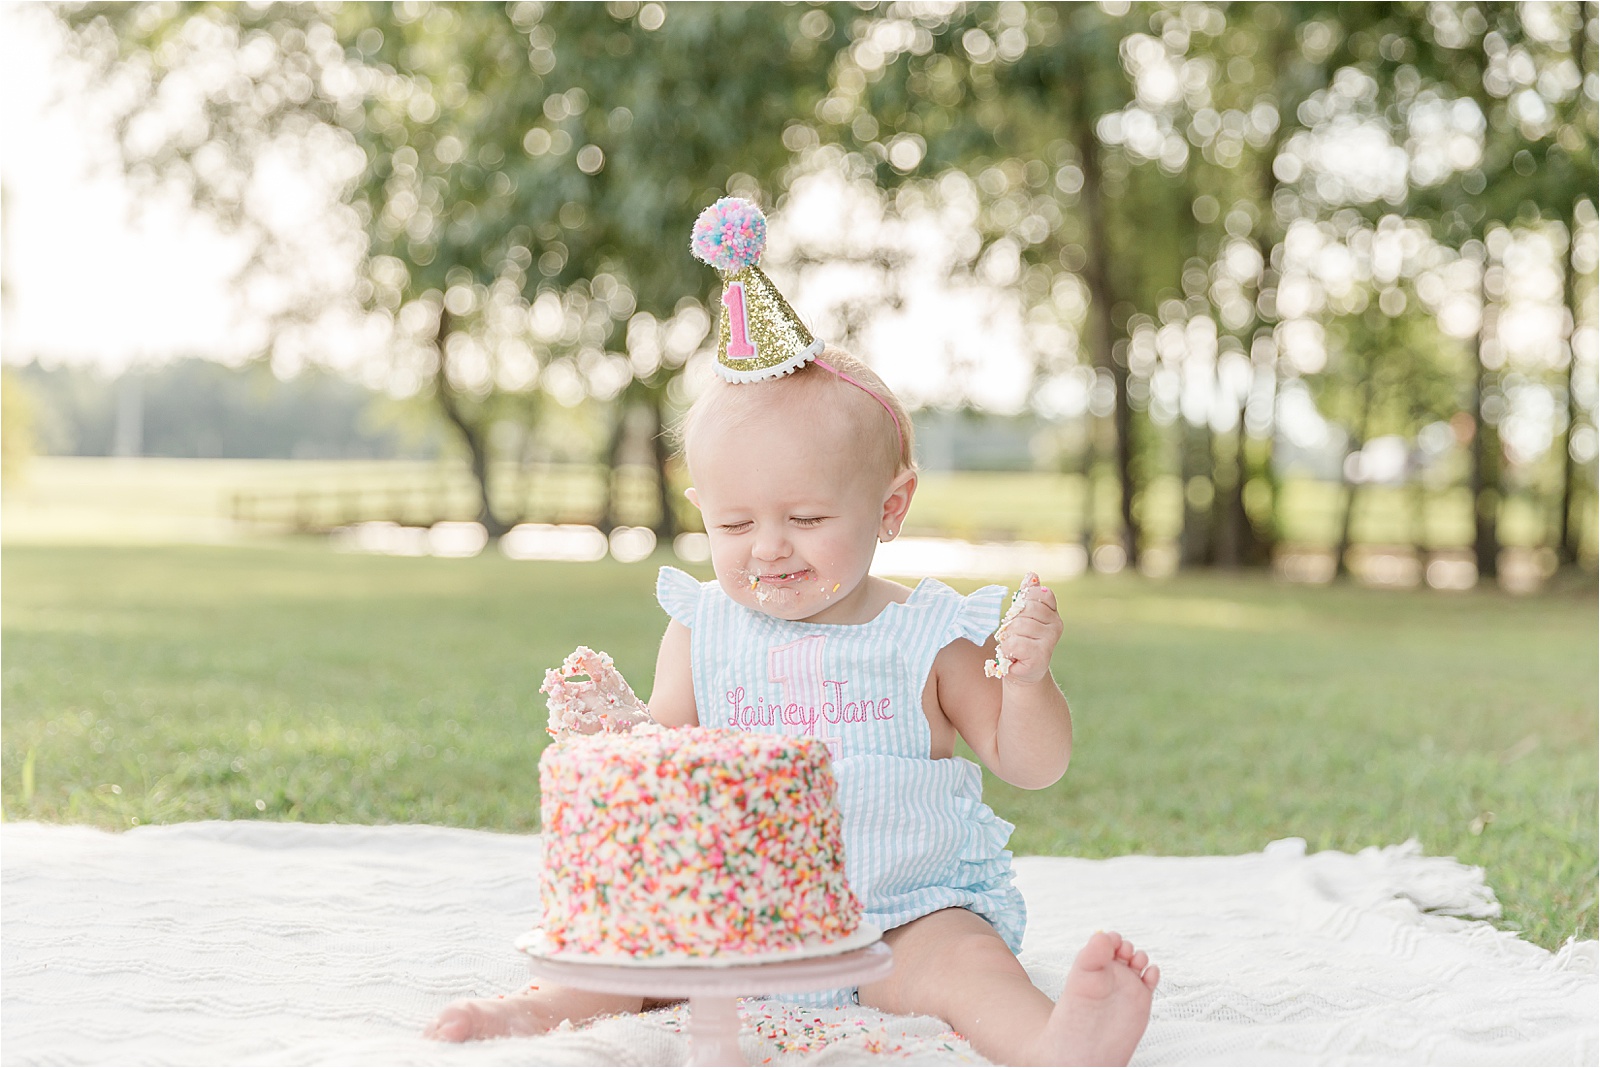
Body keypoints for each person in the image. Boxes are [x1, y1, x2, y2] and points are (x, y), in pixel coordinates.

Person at [426, 200, 1159, 1065]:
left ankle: (1051, 1039)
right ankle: (537, 1010)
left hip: (901, 913)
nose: (768, 548)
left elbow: (1031, 765)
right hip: (736, 918)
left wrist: (1028, 681)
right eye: (734, 526)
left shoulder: (927, 634)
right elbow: (672, 767)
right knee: (627, 953)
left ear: (890, 507)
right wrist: (620, 737)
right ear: (702, 511)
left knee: (965, 965)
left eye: (806, 517)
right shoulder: (702, 628)